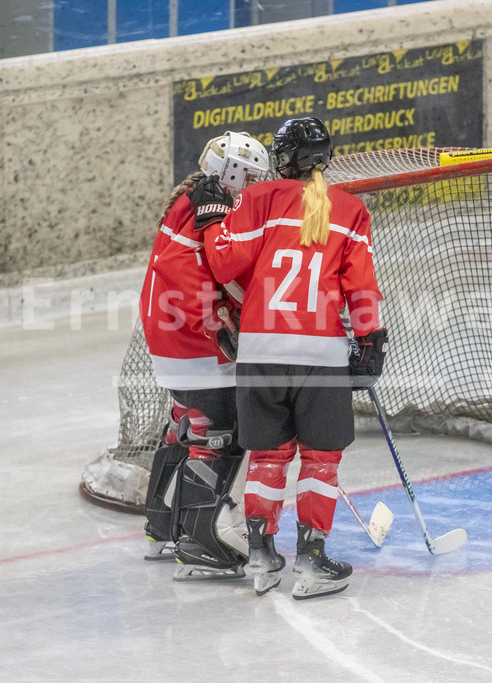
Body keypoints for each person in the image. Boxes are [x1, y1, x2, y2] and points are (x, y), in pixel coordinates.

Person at [190, 117, 388, 600]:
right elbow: (359, 286)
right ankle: (313, 561)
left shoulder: (258, 198)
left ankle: (260, 554)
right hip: (319, 354)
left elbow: (225, 262)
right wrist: (370, 339)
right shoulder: (349, 210)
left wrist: (212, 220)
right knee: (320, 460)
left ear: (284, 158)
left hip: (259, 351)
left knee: (268, 455)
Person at [138, 131, 270, 581]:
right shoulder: (203, 204)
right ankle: (202, 540)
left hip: (173, 340)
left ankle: (164, 527)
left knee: (184, 427)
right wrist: (219, 321)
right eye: (249, 174)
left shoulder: (199, 197)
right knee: (222, 435)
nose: (253, 182)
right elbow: (179, 269)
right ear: (229, 172)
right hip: (192, 344)